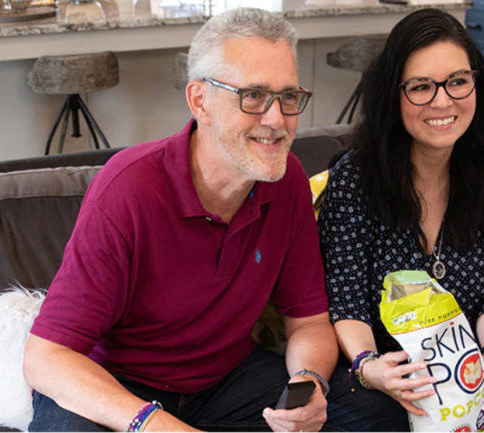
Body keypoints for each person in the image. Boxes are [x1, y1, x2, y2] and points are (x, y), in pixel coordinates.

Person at [23, 8, 339, 432]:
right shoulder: (128, 189)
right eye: (253, 96)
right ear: (200, 101)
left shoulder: (287, 181)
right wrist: (154, 423)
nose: (277, 119)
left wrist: (310, 381)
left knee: (366, 410)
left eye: (288, 97)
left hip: (228, 381)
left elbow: (310, 322)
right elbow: (46, 358)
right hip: (118, 386)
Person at [317, 8, 484, 431]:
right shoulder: (356, 180)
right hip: (389, 348)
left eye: (457, 81)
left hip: (470, 330)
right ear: (393, 95)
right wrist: (368, 366)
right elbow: (345, 298)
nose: (442, 101)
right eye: (420, 86)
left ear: (475, 82)